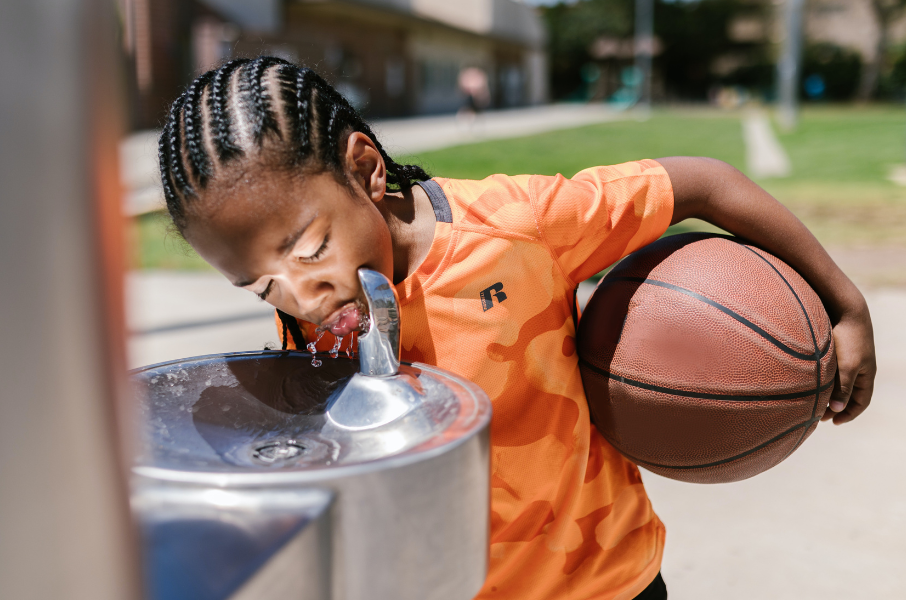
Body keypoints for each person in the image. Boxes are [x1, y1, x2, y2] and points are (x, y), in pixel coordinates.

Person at [157, 57, 876, 600]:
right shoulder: (305, 325)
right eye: (256, 285)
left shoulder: (517, 227)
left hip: (608, 583)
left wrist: (845, 305)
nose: (301, 295)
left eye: (310, 249)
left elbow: (707, 183)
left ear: (367, 169)